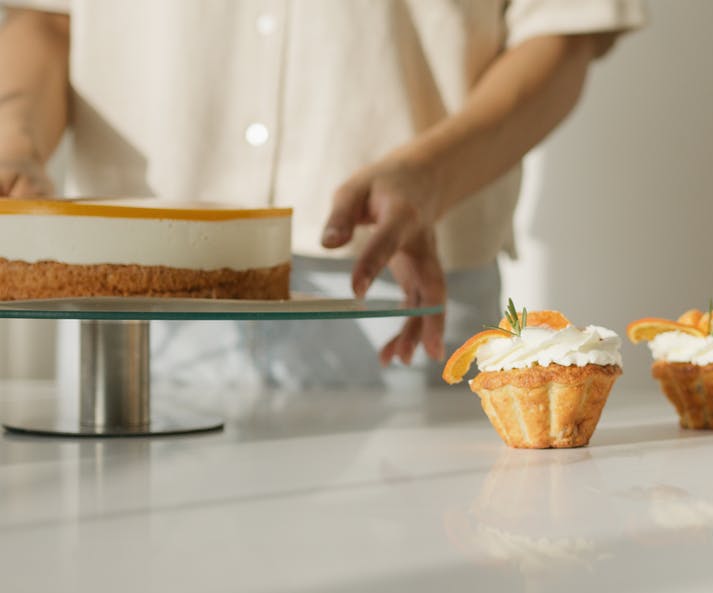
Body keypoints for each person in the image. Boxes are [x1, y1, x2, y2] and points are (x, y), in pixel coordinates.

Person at [0, 1, 645, 388]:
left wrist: (429, 173)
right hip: (129, 313)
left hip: (398, 297)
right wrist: (15, 134)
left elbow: (565, 28)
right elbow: (51, 17)